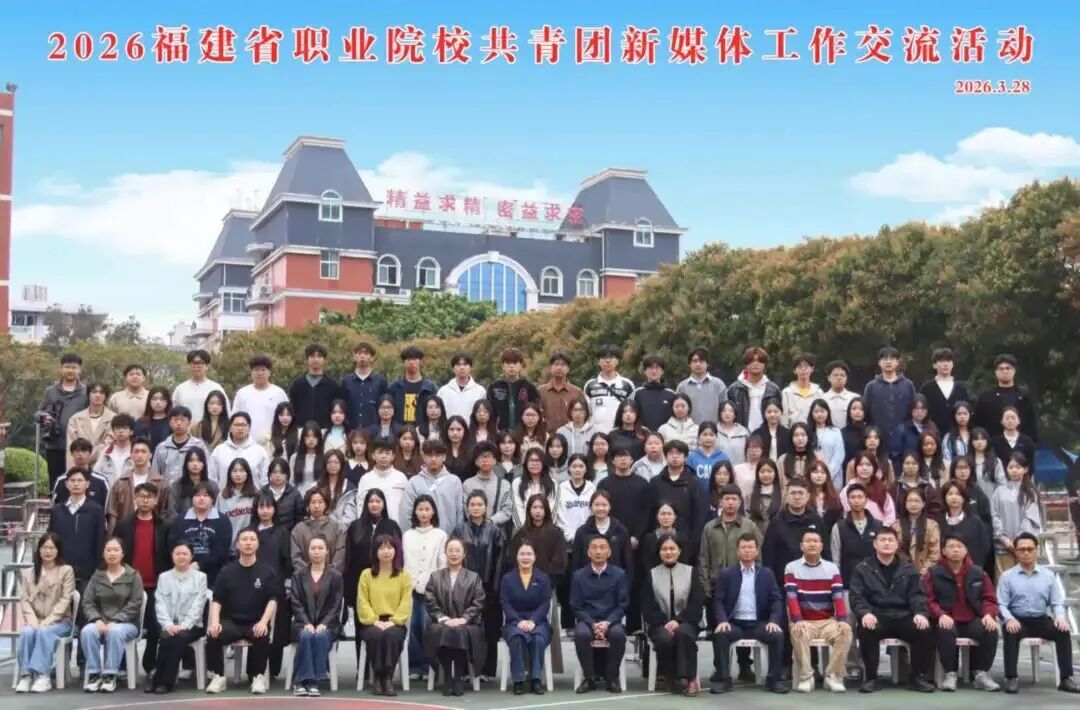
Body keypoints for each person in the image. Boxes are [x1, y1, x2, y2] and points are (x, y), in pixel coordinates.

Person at [847, 527, 935, 693]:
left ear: (897, 545)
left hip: (902, 615)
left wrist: (920, 613)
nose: (886, 543)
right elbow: (856, 596)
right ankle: (871, 678)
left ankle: (917, 678)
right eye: (882, 540)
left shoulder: (908, 568)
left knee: (924, 629)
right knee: (867, 628)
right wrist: (865, 613)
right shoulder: (863, 568)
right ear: (875, 544)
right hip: (876, 615)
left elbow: (917, 595)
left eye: (890, 540)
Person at [997, 532, 1080, 694]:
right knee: (1010, 630)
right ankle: (1011, 678)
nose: (1026, 553)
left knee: (1063, 631)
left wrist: (1060, 617)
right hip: (1018, 619)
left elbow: (1056, 602)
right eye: (1021, 549)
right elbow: (1001, 605)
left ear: (1036, 550)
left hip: (1040, 619)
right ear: (1016, 552)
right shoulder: (1007, 577)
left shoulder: (1048, 576)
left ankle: (1066, 679)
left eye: (1030, 549)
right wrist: (1009, 619)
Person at [709, 533, 788, 694]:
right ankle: (724, 679)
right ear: (737, 551)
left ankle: (774, 680)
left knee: (777, 635)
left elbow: (776, 600)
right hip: (735, 622)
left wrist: (773, 620)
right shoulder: (727, 574)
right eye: (743, 547)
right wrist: (722, 620)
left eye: (751, 547)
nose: (747, 550)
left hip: (758, 623)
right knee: (721, 634)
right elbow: (718, 600)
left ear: (757, 551)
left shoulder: (766, 574)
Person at [205, 528, 279, 694]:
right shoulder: (226, 571)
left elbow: (272, 600)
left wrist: (263, 622)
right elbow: (217, 600)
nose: (248, 543)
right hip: (231, 622)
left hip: (255, 621)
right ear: (237, 544)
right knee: (213, 634)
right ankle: (218, 677)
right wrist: (215, 622)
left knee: (262, 634)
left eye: (252, 539)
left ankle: (258, 677)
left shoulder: (267, 572)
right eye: (244, 539)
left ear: (257, 544)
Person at [924, 535, 1001, 692]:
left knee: (991, 629)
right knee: (944, 630)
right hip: (947, 618)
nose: (955, 550)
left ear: (966, 550)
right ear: (943, 551)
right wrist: (940, 614)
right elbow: (928, 599)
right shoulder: (933, 573)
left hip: (973, 619)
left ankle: (981, 674)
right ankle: (950, 674)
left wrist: (988, 614)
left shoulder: (978, 573)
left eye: (959, 546)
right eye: (951, 546)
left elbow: (990, 599)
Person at [113, 482, 170, 684]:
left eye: (150, 497)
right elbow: (115, 551)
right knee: (122, 625)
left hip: (155, 585)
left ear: (156, 500)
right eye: (141, 496)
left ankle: (150, 665)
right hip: (128, 585)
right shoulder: (124, 524)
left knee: (155, 628)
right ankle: (122, 666)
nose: (145, 500)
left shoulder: (164, 526)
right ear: (135, 498)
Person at [784, 528, 852, 693]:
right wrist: (797, 620)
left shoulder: (832, 568)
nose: (812, 544)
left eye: (815, 541)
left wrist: (842, 620)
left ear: (821, 545)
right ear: (801, 545)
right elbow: (791, 597)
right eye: (808, 541)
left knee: (846, 631)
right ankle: (806, 677)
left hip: (827, 621)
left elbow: (838, 597)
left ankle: (832, 675)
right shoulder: (791, 567)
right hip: (805, 621)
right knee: (797, 631)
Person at [829, 482, 883, 681]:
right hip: (847, 586)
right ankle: (852, 664)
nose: (857, 501)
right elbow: (835, 560)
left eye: (860, 497)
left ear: (866, 500)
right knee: (848, 625)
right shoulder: (839, 527)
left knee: (873, 624)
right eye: (853, 497)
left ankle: (871, 665)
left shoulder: (878, 526)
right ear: (847, 501)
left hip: (874, 586)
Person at [79, 537, 145, 694]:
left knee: (115, 631)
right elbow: (88, 602)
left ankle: (110, 675)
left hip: (127, 624)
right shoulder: (97, 577)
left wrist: (117, 620)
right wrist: (96, 619)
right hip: (101, 621)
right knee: (87, 631)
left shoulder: (133, 576)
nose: (112, 553)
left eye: (116, 550)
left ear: (122, 554)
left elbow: (136, 603)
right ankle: (94, 674)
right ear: (103, 554)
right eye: (108, 550)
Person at [643, 533, 705, 696]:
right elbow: (648, 605)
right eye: (664, 549)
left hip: (687, 621)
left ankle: (690, 679)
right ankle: (669, 675)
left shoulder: (691, 572)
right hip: (659, 623)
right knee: (664, 637)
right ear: (659, 552)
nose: (668, 552)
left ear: (679, 551)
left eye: (672, 548)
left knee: (684, 633)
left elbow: (696, 602)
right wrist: (665, 622)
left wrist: (678, 620)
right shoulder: (651, 574)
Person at [424, 537, 487, 696]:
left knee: (459, 631)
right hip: (441, 621)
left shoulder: (473, 577)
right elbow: (430, 600)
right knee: (443, 631)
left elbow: (478, 601)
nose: (454, 554)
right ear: (445, 553)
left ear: (464, 554)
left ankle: (458, 677)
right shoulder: (435, 577)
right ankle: (447, 677)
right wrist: (444, 618)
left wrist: (464, 618)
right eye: (450, 550)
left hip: (468, 623)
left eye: (457, 550)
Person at [453, 491, 506, 680]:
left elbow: (500, 560)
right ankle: (465, 670)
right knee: (466, 628)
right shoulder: (459, 530)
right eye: (472, 505)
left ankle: (487, 670)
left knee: (490, 630)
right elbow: (453, 557)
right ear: (467, 508)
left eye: (479, 505)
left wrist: (495, 587)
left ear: (486, 507)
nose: (476, 508)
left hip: (489, 587)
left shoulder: (495, 531)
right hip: (464, 589)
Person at [15, 533, 75, 694]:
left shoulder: (66, 571)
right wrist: (32, 620)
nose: (48, 551)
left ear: (58, 550)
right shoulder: (29, 573)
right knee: (27, 632)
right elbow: (24, 599)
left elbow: (65, 599)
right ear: (39, 550)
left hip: (61, 622)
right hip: (36, 620)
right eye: (44, 547)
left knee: (44, 631)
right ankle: (26, 675)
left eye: (52, 548)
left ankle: (43, 676)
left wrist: (48, 621)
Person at [700, 484, 763, 637]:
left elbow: (759, 558)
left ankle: (743, 655)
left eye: (734, 499)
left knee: (742, 632)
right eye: (726, 499)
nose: (730, 502)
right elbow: (703, 559)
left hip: (743, 587)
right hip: (716, 588)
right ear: (720, 502)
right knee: (718, 633)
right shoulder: (709, 528)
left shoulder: (750, 526)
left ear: (740, 502)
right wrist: (706, 588)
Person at [571, 535, 628, 694]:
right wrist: (592, 624)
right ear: (588, 552)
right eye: (594, 548)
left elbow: (622, 604)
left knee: (618, 635)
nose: (598, 551)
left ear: (609, 552)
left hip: (611, 620)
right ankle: (589, 678)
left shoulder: (619, 574)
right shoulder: (578, 576)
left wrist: (608, 622)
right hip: (588, 620)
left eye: (602, 548)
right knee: (581, 634)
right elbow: (576, 606)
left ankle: (611, 678)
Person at [289, 535, 344, 696]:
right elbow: (295, 602)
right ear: (308, 551)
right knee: (306, 635)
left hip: (328, 624)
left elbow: (336, 605)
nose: (316, 552)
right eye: (313, 548)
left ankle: (313, 682)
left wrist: (324, 623)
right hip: (302, 623)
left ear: (327, 551)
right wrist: (306, 622)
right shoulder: (299, 575)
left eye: (320, 548)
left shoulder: (335, 576)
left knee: (320, 636)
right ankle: (302, 681)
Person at [150, 541, 208, 694]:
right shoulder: (164, 577)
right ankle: (158, 681)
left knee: (176, 638)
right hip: (170, 624)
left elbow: (198, 606)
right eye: (178, 554)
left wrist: (183, 625)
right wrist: (168, 624)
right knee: (166, 636)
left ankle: (166, 682)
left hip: (193, 625)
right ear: (172, 556)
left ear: (191, 556)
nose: (181, 557)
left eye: (185, 554)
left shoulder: (200, 577)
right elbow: (160, 604)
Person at [358, 533, 412, 696]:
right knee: (376, 635)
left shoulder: (404, 576)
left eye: (389, 547)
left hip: (395, 622)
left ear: (396, 550)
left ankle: (387, 677)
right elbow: (362, 601)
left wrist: (393, 621)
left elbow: (405, 602)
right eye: (381, 548)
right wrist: (374, 620)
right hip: (372, 622)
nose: (386, 551)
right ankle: (377, 677)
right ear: (375, 552)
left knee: (391, 635)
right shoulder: (366, 574)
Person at [248, 492, 294, 681]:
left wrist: (288, 584)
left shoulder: (282, 532)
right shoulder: (250, 531)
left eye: (268, 507)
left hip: (276, 586)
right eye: (261, 507)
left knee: (277, 629)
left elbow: (287, 562)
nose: (265, 511)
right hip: (252, 587)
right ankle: (253, 671)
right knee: (254, 626)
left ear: (274, 509)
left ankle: (273, 669)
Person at [500, 542, 552, 695]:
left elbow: (545, 603)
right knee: (516, 637)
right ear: (517, 557)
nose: (525, 557)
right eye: (522, 554)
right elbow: (505, 603)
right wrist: (518, 621)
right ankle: (518, 680)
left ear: (534, 557)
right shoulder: (507, 579)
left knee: (538, 638)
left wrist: (533, 621)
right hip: (514, 621)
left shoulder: (543, 578)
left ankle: (536, 680)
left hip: (538, 622)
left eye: (529, 554)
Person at [47, 468, 106, 591]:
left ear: (87, 484)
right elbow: (51, 540)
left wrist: (99, 569)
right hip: (61, 571)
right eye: (72, 480)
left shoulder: (96, 510)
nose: (76, 484)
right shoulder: (57, 510)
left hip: (87, 573)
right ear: (66, 484)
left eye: (80, 480)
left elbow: (100, 541)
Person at [38, 353, 89, 488]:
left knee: (80, 481)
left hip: (79, 446)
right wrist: (44, 417)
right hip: (56, 444)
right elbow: (39, 413)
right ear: (61, 369)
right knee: (56, 482)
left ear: (80, 370)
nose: (70, 370)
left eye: (74, 367)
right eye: (67, 367)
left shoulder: (86, 392)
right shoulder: (50, 391)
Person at [648, 440, 710, 552]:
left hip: (686, 539)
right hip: (660, 541)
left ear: (685, 457)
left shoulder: (694, 483)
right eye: (671, 453)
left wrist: (694, 540)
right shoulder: (655, 482)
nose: (675, 457)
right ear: (665, 456)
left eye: (679, 453)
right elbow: (650, 512)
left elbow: (700, 514)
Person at [166, 482, 232, 586]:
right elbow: (173, 544)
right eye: (197, 495)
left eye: (205, 495)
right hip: (184, 572)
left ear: (212, 499)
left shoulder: (222, 520)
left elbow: (222, 549)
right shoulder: (180, 519)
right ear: (192, 499)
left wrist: (200, 564)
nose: (201, 498)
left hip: (214, 575)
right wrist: (185, 563)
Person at [991, 452, 1042, 575]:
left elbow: (1030, 519)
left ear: (1025, 469)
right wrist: (1003, 538)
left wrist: (1018, 541)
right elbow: (994, 515)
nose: (1014, 470)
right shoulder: (999, 491)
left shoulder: (1030, 492)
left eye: (1018, 467)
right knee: (1004, 579)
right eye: (1011, 467)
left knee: (1026, 578)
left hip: (1024, 547)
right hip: (1003, 546)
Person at [398, 438, 464, 532]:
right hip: (421, 537)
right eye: (429, 455)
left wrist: (457, 537)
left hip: (449, 538)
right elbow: (406, 513)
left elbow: (460, 513)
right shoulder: (414, 482)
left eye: (437, 455)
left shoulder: (454, 481)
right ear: (424, 457)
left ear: (444, 457)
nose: (433, 459)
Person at [106, 437, 171, 532]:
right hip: (126, 533)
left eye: (143, 451)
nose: (139, 455)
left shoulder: (161, 483)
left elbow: (165, 512)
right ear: (131, 455)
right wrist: (112, 536)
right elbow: (112, 513)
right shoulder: (121, 482)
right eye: (136, 451)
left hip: (152, 532)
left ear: (150, 455)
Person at [862, 346, 917, 456]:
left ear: (897, 362)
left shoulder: (907, 385)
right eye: (884, 359)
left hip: (903, 437)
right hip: (878, 439)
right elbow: (866, 413)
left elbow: (913, 410)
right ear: (879, 362)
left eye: (892, 358)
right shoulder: (871, 386)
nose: (888, 362)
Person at [974, 354, 1038, 440]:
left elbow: (1031, 425)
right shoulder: (986, 398)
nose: (1004, 371)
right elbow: (978, 425)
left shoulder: (1024, 397)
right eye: (1001, 369)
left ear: (1014, 371)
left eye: (1008, 368)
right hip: (993, 444)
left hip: (1020, 444)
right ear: (996, 372)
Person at [233, 355, 290, 446]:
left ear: (269, 372)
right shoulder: (242, 393)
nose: (259, 373)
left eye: (263, 370)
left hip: (273, 444)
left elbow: (287, 419)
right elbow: (234, 419)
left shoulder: (279, 393)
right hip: (246, 444)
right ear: (251, 372)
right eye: (256, 370)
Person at [290, 488, 346, 574]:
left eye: (320, 502)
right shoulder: (298, 529)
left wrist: (329, 574)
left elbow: (340, 556)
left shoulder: (337, 527)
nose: (316, 506)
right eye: (313, 502)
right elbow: (296, 558)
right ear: (307, 505)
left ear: (326, 504)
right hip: (305, 577)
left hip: (331, 577)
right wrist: (309, 575)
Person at [288, 344, 342, 430]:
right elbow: (291, 409)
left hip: (325, 430)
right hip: (301, 430)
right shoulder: (297, 384)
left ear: (324, 360)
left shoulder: (332, 385)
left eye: (319, 356)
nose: (316, 359)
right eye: (312, 356)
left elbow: (338, 410)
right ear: (307, 359)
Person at [583, 345, 636, 432]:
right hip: (596, 435)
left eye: (611, 357)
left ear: (617, 361)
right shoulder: (590, 385)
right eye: (604, 357)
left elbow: (632, 411)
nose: (608, 361)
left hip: (619, 434)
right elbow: (585, 412)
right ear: (598, 362)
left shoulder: (627, 385)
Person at [151, 406, 211, 484]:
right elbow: (155, 474)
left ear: (189, 423)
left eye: (182, 420)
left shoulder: (199, 446)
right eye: (175, 420)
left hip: (193, 490)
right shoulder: (161, 447)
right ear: (170, 423)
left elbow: (208, 471)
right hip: (167, 490)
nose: (179, 423)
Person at [727, 346, 782, 431]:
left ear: (764, 364)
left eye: (759, 361)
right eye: (752, 361)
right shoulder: (734, 389)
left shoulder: (773, 389)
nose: (755, 364)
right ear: (746, 364)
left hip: (767, 433)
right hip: (741, 434)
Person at [920, 348, 971, 436]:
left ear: (953, 364)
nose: (945, 364)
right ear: (934, 365)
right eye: (942, 361)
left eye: (948, 361)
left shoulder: (962, 388)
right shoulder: (926, 389)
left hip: (957, 436)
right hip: (933, 436)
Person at [212, 412, 270, 489]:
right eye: (236, 425)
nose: (240, 428)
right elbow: (212, 478)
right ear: (230, 427)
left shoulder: (259, 451)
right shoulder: (219, 451)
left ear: (249, 427)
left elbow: (265, 480)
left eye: (243, 425)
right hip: (225, 495)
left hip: (253, 496)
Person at [357, 438, 408, 523]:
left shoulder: (401, 477)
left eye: (387, 453)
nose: (383, 456)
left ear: (393, 456)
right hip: (371, 527)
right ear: (373, 455)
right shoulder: (365, 479)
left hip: (397, 527)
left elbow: (407, 506)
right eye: (380, 452)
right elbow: (360, 506)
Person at [172, 349, 227, 426]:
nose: (196, 366)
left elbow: (226, 413)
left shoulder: (216, 388)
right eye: (193, 363)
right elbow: (174, 413)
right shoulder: (180, 389)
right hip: (186, 431)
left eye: (200, 363)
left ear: (207, 366)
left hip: (210, 431)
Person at [342, 341, 388, 433]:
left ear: (372, 358)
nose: (362, 356)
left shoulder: (380, 380)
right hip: (351, 431)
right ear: (354, 357)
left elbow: (385, 405)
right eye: (359, 353)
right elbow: (343, 405)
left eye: (366, 353)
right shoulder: (347, 380)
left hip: (374, 432)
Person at [66, 383, 115, 467]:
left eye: (101, 393)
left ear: (106, 396)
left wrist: (88, 457)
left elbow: (109, 444)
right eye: (94, 392)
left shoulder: (114, 419)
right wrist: (72, 470)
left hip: (104, 465)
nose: (97, 395)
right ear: (88, 394)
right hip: (80, 466)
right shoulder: (75, 419)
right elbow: (71, 448)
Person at [894, 486, 941, 575]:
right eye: (910, 501)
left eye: (917, 501)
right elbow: (894, 550)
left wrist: (925, 569)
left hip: (924, 572)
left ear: (923, 504)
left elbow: (935, 553)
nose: (913, 504)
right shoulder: (896, 525)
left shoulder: (932, 525)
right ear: (905, 503)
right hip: (900, 571)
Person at [387, 346, 438, 427]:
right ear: (404, 362)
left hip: (423, 430)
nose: (411, 362)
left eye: (414, 359)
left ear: (420, 361)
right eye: (408, 359)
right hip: (400, 430)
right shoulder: (394, 387)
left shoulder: (430, 387)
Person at [676, 347, 727, 425]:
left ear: (707, 363)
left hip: (713, 431)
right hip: (689, 431)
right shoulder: (682, 387)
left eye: (701, 361)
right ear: (689, 364)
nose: (698, 364)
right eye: (695, 361)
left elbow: (725, 410)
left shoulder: (718, 384)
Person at [537, 352, 583, 435]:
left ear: (568, 369)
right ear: (550, 368)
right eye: (556, 364)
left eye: (563, 365)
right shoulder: (541, 391)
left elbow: (583, 416)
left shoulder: (576, 392)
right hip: (547, 437)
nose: (559, 367)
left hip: (571, 436)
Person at [628, 354, 676, 432]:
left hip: (666, 436)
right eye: (650, 368)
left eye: (657, 368)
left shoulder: (671, 394)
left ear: (662, 371)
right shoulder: (637, 393)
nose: (654, 371)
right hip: (642, 436)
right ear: (645, 371)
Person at [167, 448, 218, 518]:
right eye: (191, 460)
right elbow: (172, 512)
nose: (195, 464)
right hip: (182, 523)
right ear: (186, 464)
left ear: (203, 464)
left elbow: (216, 509)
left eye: (199, 460)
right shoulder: (176, 486)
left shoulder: (212, 486)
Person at [218, 458, 258, 546]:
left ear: (248, 473)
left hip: (249, 545)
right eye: (234, 471)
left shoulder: (255, 495)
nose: (238, 474)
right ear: (229, 474)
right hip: (228, 545)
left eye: (242, 471)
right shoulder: (222, 496)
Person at [437, 351, 487, 421]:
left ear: (470, 367)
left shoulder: (480, 391)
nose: (462, 367)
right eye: (458, 364)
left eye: (465, 364)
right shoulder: (443, 391)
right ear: (453, 368)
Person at [260, 457, 305, 530]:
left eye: (281, 472)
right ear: (270, 474)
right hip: (265, 533)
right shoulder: (261, 493)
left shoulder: (295, 494)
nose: (278, 475)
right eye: (275, 472)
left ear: (287, 475)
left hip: (288, 534)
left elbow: (299, 520)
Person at [781, 353, 824, 427]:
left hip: (814, 431)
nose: (803, 369)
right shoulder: (787, 392)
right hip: (794, 432)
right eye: (800, 367)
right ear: (794, 370)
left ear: (812, 369)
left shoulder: (819, 392)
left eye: (806, 366)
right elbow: (784, 416)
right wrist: (785, 430)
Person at [810, 399, 845, 486]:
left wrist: (827, 473)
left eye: (822, 411)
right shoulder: (808, 432)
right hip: (812, 476)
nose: (819, 414)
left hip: (833, 476)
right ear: (811, 413)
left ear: (828, 412)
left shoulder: (835, 431)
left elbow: (839, 455)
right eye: (816, 411)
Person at [93, 414, 135, 488]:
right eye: (117, 428)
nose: (121, 431)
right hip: (109, 492)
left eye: (124, 428)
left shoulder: (137, 451)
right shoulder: (106, 452)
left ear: (131, 431)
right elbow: (96, 475)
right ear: (113, 431)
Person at [687, 422, 730, 491]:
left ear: (716, 436)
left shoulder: (723, 457)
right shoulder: (692, 457)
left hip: (717, 495)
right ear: (699, 436)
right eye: (705, 434)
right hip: (696, 495)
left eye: (711, 435)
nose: (708, 438)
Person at [749, 458, 784, 533]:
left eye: (769, 471)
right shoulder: (751, 495)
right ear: (757, 474)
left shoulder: (783, 495)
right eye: (762, 471)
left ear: (775, 473)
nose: (766, 475)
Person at [753, 397, 791, 464]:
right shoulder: (757, 433)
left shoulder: (788, 433)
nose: (772, 415)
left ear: (781, 412)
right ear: (764, 414)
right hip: (762, 468)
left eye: (776, 411)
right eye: (769, 412)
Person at [289, 422, 325, 494]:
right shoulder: (294, 457)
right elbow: (291, 482)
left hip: (318, 496)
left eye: (314, 436)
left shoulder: (324, 458)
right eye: (308, 436)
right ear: (303, 438)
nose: (311, 440)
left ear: (319, 438)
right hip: (298, 495)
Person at [822, 361, 858, 429]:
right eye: (835, 375)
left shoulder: (855, 398)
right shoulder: (822, 399)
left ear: (846, 378)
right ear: (828, 378)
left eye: (842, 375)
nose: (839, 378)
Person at [137, 387, 172, 454]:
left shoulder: (172, 422)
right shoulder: (141, 422)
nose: (158, 402)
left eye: (162, 399)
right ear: (149, 401)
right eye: (154, 399)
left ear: (168, 402)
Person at [716, 401, 751, 466]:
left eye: (731, 411)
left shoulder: (744, 433)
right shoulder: (714, 431)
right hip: (720, 470)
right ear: (720, 414)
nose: (727, 413)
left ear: (735, 415)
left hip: (740, 470)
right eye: (724, 411)